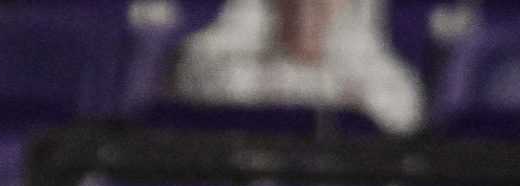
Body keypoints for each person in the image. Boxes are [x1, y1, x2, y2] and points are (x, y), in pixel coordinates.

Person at [170, 0, 424, 133]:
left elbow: (397, 113)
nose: (307, 8)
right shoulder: (216, 54)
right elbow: (209, 84)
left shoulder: (385, 75)